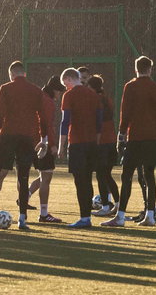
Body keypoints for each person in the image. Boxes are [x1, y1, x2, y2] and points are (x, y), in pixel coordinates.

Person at [0, 61, 50, 231]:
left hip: (7, 136)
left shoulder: (6, 88)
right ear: (24, 74)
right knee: (23, 177)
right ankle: (22, 219)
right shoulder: (36, 90)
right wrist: (44, 140)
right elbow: (42, 117)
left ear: (11, 74)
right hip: (27, 138)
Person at [102, 56, 156, 228]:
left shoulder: (130, 87)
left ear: (135, 68)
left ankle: (120, 215)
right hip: (152, 137)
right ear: (150, 69)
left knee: (127, 176)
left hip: (136, 137)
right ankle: (150, 215)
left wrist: (121, 135)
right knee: (149, 176)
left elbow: (126, 113)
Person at [58, 68, 102, 229]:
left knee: (79, 181)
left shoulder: (68, 96)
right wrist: (96, 142)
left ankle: (84, 217)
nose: (65, 87)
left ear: (69, 79)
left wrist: (61, 146)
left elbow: (65, 122)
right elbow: (99, 122)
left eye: (65, 84)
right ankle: (87, 216)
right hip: (92, 143)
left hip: (77, 143)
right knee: (88, 180)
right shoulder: (93, 95)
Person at [28, 75, 65, 223]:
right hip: (43, 143)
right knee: (46, 177)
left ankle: (24, 198)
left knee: (42, 175)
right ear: (54, 90)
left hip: (31, 141)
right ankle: (44, 214)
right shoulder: (48, 102)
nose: (60, 94)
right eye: (59, 91)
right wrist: (53, 144)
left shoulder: (38, 97)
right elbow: (47, 124)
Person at [88, 74, 120, 218]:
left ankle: (106, 206)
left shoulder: (96, 100)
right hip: (111, 140)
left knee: (101, 175)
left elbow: (96, 121)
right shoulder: (107, 98)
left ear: (92, 87)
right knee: (107, 175)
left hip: (101, 141)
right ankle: (118, 204)